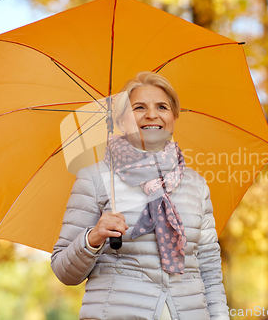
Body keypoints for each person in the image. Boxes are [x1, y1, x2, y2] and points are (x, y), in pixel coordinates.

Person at [51, 72, 229, 320]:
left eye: (162, 107)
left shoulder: (196, 185)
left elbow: (209, 267)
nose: (151, 115)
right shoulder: (94, 178)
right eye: (139, 108)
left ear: (174, 118)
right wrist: (94, 237)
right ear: (122, 122)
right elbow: (64, 272)